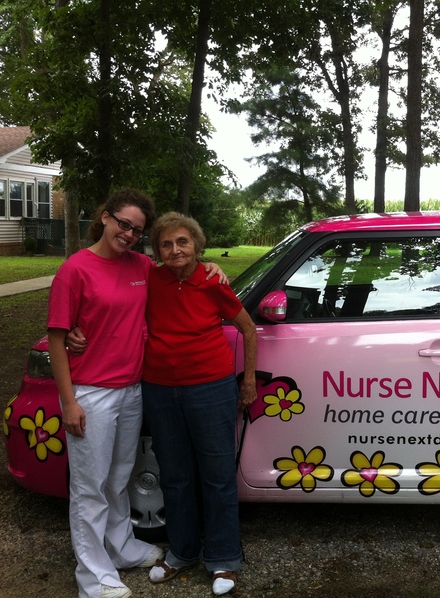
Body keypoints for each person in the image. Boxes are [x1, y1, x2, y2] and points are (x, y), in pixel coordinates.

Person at [49, 190, 224, 598]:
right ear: (105, 218)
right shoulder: (75, 270)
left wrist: (210, 266)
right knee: (89, 487)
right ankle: (92, 577)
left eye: (137, 230)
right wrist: (69, 401)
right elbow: (58, 339)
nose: (128, 234)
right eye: (123, 224)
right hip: (91, 392)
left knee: (118, 479)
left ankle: (122, 547)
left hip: (132, 389)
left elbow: (182, 266)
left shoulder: (142, 266)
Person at [141, 212, 257, 596]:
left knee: (217, 476)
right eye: (166, 244)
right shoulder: (149, 279)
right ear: (157, 250)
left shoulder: (210, 280)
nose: (175, 250)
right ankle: (182, 552)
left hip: (210, 388)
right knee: (175, 477)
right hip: (159, 390)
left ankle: (223, 559)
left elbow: (247, 328)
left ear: (196, 245)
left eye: (182, 242)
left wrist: (250, 381)